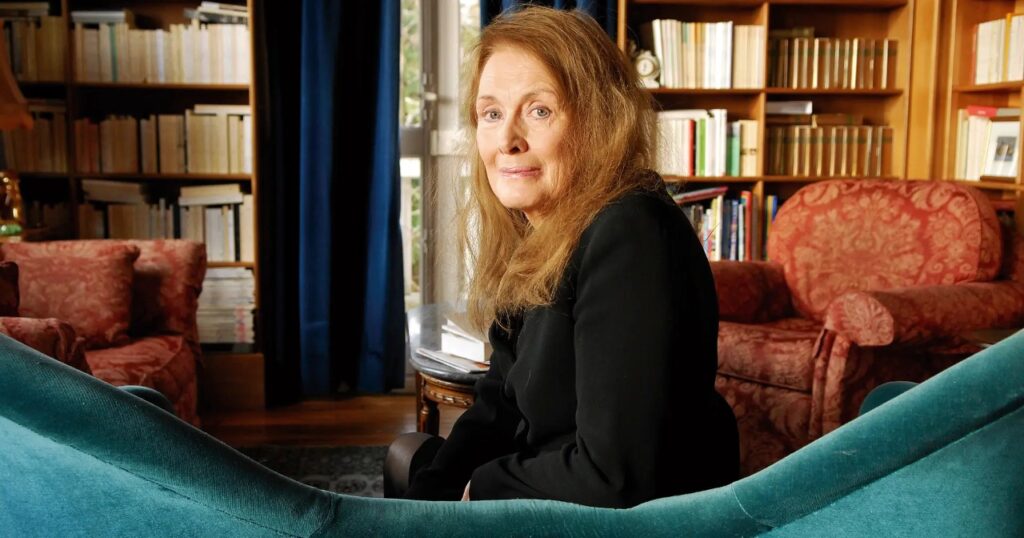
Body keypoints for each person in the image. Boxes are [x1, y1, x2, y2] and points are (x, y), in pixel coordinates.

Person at [388, 6, 738, 508]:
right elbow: (498, 405)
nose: (507, 141)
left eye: (539, 111)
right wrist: (429, 505)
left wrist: (478, 490)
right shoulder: (542, 232)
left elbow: (615, 478)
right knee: (411, 466)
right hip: (550, 488)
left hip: (626, 522)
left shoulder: (632, 233)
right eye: (491, 114)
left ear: (599, 121)